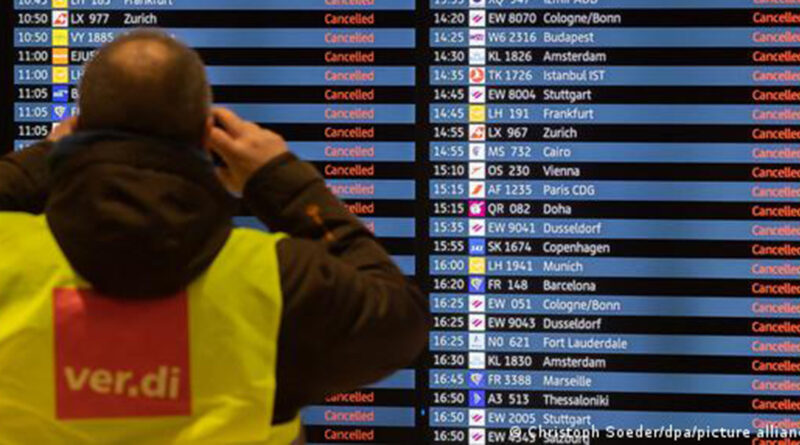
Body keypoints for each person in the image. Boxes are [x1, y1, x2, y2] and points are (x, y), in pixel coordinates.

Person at [0, 30, 429, 443]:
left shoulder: (9, 256)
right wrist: (282, 180)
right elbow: (400, 318)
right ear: (209, 137)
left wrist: (43, 160)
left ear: (76, 132)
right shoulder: (278, 281)